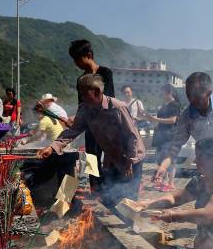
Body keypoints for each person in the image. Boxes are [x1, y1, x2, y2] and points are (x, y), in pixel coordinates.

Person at [37, 74, 145, 206]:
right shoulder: (86, 109)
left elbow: (131, 136)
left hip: (132, 157)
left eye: (84, 94)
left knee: (128, 200)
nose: (81, 97)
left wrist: (129, 162)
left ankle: (130, 224)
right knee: (110, 198)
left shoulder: (117, 107)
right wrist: (52, 147)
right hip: (113, 157)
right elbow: (73, 130)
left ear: (97, 91)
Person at [152, 72, 213, 182]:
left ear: (208, 93)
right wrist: (163, 166)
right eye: (188, 95)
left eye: (196, 96)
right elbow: (175, 146)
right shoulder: (186, 117)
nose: (192, 100)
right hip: (212, 167)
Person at [69, 39, 115, 191]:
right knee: (91, 157)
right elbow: (81, 105)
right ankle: (95, 189)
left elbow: (109, 98)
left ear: (88, 55)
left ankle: (109, 190)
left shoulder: (105, 73)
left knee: (109, 156)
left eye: (77, 59)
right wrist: (76, 120)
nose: (76, 63)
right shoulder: (81, 80)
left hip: (107, 125)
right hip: (90, 127)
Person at [142, 84, 182, 191]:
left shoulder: (175, 105)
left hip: (170, 136)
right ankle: (164, 181)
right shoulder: (164, 106)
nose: (162, 94)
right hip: (160, 136)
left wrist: (155, 119)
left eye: (163, 92)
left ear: (170, 93)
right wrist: (148, 117)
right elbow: (157, 122)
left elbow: (173, 120)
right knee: (161, 159)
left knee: (170, 159)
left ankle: (171, 183)